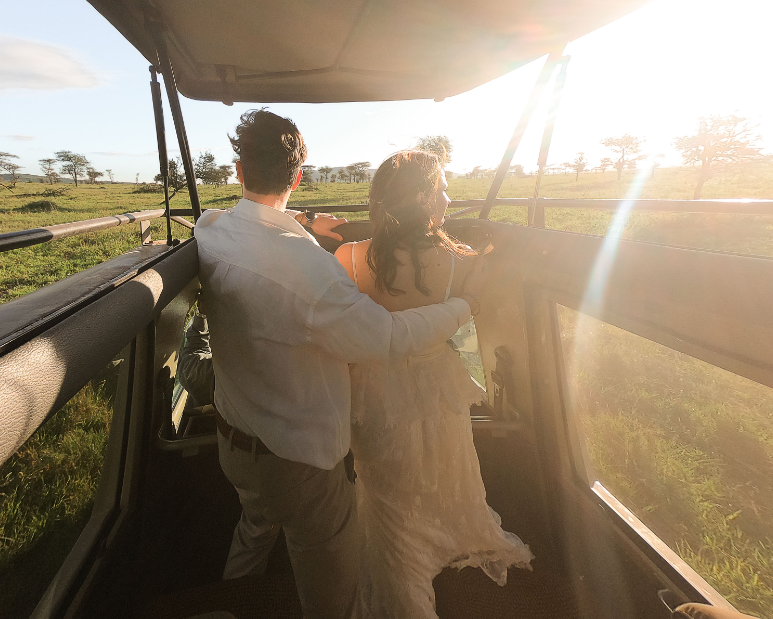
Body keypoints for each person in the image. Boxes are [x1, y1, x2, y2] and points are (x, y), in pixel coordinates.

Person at [195, 110, 486, 619]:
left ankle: (231, 601)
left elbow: (267, 237)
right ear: (299, 176)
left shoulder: (213, 229)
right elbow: (387, 339)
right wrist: (462, 307)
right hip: (297, 461)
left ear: (239, 171)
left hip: (232, 439)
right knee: (330, 589)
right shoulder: (312, 274)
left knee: (253, 529)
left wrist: (310, 226)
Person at [333, 150, 533, 619]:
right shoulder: (460, 262)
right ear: (421, 198)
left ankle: (403, 577)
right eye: (441, 187)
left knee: (387, 498)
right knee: (444, 474)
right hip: (438, 390)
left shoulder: (351, 257)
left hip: (375, 395)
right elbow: (481, 301)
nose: (448, 196)